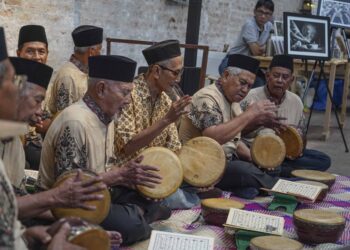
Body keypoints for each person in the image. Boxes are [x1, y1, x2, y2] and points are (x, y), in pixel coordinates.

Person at [38, 55, 171, 245]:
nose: (128, 100)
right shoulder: (75, 122)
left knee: (155, 200)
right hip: (70, 204)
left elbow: (105, 170)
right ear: (101, 89)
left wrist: (127, 177)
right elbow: (69, 193)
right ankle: (135, 216)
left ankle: (136, 213)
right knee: (131, 224)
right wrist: (116, 177)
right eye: (125, 93)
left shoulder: (106, 116)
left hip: (100, 191)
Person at [0, 26, 105, 250]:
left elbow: (8, 212)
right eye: (10, 89)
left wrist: (30, 235)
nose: (40, 111)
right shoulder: (73, 110)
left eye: (42, 51)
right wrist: (55, 198)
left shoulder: (9, 137)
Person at [114, 40, 212, 209]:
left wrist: (197, 173)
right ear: (157, 71)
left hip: (158, 172)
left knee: (197, 180)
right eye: (176, 73)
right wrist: (166, 120)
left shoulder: (166, 100)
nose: (179, 80)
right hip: (131, 177)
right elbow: (128, 146)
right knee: (171, 201)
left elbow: (174, 149)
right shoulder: (128, 96)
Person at [179, 54, 280, 199]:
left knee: (269, 166)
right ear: (226, 75)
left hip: (224, 160)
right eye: (242, 83)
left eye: (249, 86)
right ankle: (283, 189)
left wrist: (255, 159)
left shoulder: (232, 100)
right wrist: (251, 114)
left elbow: (235, 141)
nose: (245, 90)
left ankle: (249, 187)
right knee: (245, 171)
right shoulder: (207, 98)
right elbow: (213, 137)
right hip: (201, 165)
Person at [241, 55, 331, 177]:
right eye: (276, 75)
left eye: (285, 77)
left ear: (291, 80)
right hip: (257, 152)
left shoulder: (296, 101)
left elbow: (301, 137)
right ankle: (281, 171)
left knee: (323, 160)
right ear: (267, 76)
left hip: (285, 154)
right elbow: (237, 134)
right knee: (256, 163)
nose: (280, 80)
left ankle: (278, 171)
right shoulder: (249, 97)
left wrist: (299, 140)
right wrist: (259, 122)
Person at [16, 24, 51, 170]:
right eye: (30, 51)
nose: (37, 57)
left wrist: (44, 124)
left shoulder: (45, 82)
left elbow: (47, 117)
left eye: (41, 51)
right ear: (19, 53)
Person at [48, 25, 102, 115]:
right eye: (99, 50)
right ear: (92, 52)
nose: (100, 54)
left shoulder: (85, 72)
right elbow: (63, 116)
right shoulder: (67, 76)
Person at [218, 0, 274, 87]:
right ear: (254, 11)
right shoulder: (250, 25)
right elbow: (256, 52)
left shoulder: (269, 26)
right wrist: (265, 47)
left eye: (267, 14)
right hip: (232, 62)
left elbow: (271, 47)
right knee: (251, 84)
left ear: (271, 15)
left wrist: (263, 48)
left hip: (249, 65)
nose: (263, 16)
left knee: (265, 82)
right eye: (260, 12)